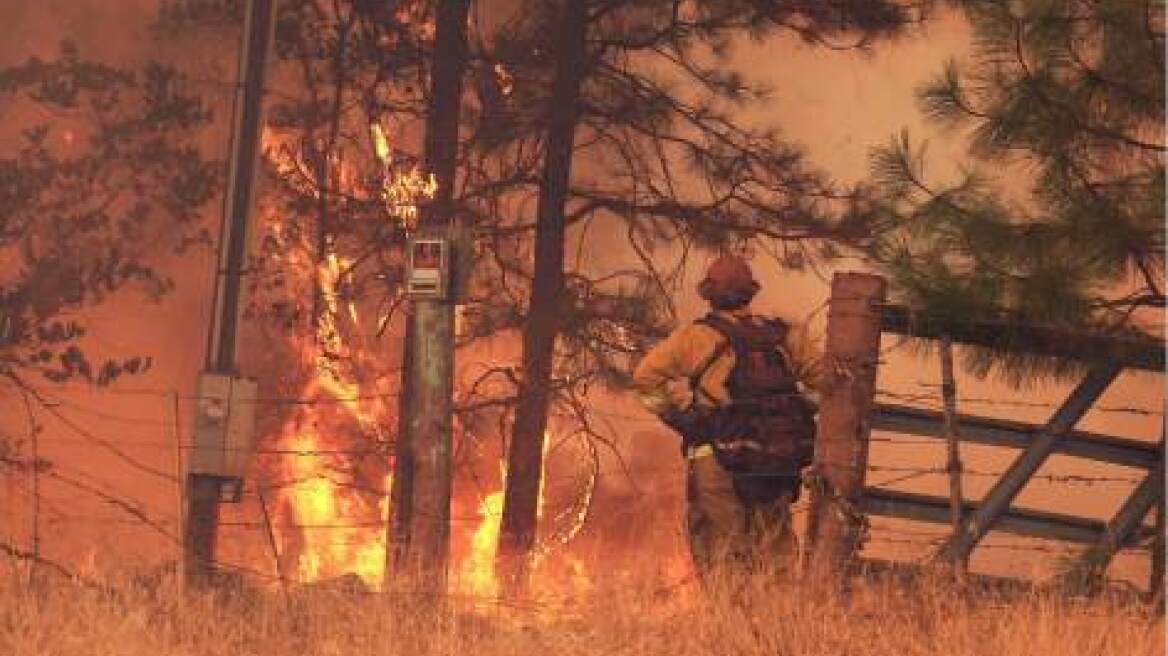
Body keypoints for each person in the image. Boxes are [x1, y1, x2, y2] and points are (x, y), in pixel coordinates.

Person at [632, 255, 823, 581]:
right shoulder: (786, 336)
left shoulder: (695, 338)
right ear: (751, 293)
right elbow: (825, 386)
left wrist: (680, 418)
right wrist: (794, 414)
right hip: (777, 459)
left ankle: (730, 624)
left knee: (723, 549)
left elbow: (644, 379)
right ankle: (779, 622)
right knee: (774, 548)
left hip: (716, 457)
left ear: (709, 294)